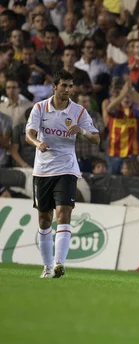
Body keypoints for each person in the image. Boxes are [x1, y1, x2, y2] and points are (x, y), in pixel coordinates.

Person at [25, 70, 100, 279]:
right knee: (44, 219)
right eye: (64, 86)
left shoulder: (79, 111)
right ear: (54, 87)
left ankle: (59, 264)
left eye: (70, 86)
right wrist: (38, 143)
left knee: (64, 213)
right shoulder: (40, 108)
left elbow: (97, 139)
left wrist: (82, 131)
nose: (68, 90)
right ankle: (47, 266)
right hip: (43, 170)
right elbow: (28, 133)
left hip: (67, 168)